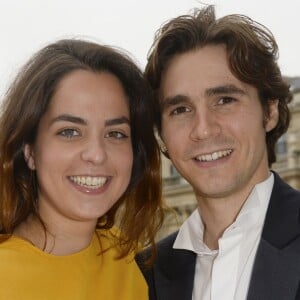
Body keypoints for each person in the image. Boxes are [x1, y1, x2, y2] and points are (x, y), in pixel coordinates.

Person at [137, 5, 300, 300]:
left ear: (270, 111)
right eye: (181, 109)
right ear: (162, 134)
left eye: (224, 100)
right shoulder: (144, 275)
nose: (203, 129)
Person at [0, 38, 163, 299]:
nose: (96, 154)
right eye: (70, 131)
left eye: (116, 133)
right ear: (29, 150)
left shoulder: (125, 260)